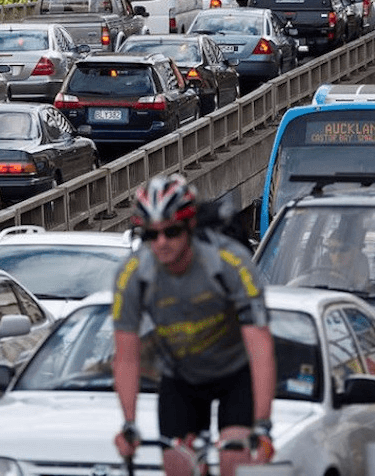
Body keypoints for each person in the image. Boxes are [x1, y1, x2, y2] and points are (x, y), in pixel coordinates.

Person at [111, 173, 276, 476]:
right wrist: (129, 423)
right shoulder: (133, 274)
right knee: (176, 465)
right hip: (181, 377)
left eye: (171, 231)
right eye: (151, 235)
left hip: (235, 373)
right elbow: (126, 356)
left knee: (233, 460)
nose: (161, 243)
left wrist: (263, 426)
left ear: (189, 226)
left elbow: (261, 347)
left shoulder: (228, 261)